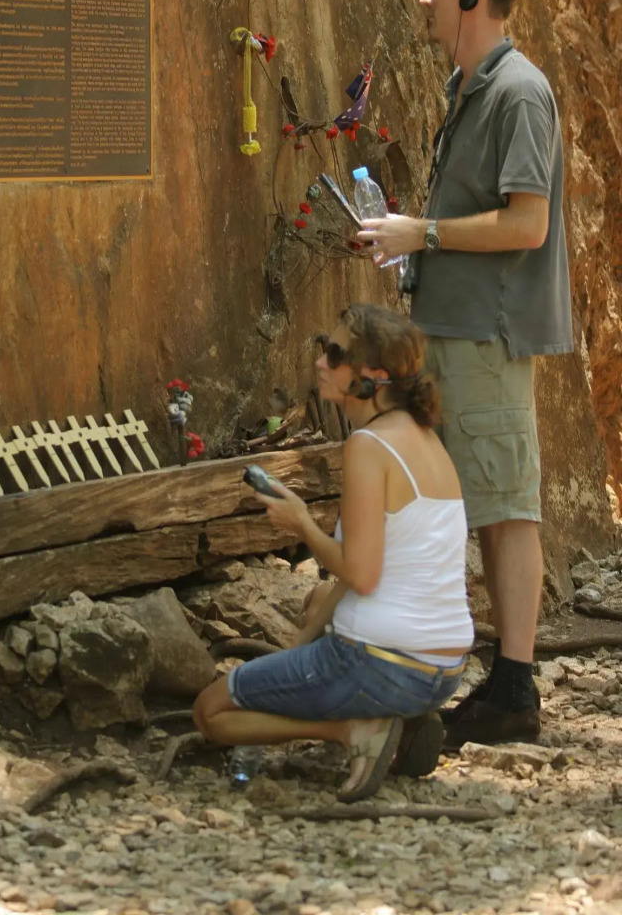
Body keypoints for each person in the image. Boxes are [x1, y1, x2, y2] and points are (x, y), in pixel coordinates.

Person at [357, 0, 574, 746]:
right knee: (470, 504)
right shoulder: (469, 86)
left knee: (507, 507)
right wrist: (407, 239)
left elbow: (528, 221)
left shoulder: (519, 92)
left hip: (489, 334)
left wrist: (429, 231)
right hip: (450, 328)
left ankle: (516, 690)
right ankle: (471, 675)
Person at [194, 304, 474, 801]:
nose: (321, 361)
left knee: (210, 712)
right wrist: (301, 642)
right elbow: (357, 576)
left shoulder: (368, 446)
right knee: (317, 598)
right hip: (444, 667)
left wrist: (302, 522)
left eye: (336, 353)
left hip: (381, 662)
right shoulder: (424, 438)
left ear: (373, 377)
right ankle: (397, 720)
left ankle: (354, 731)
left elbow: (362, 575)